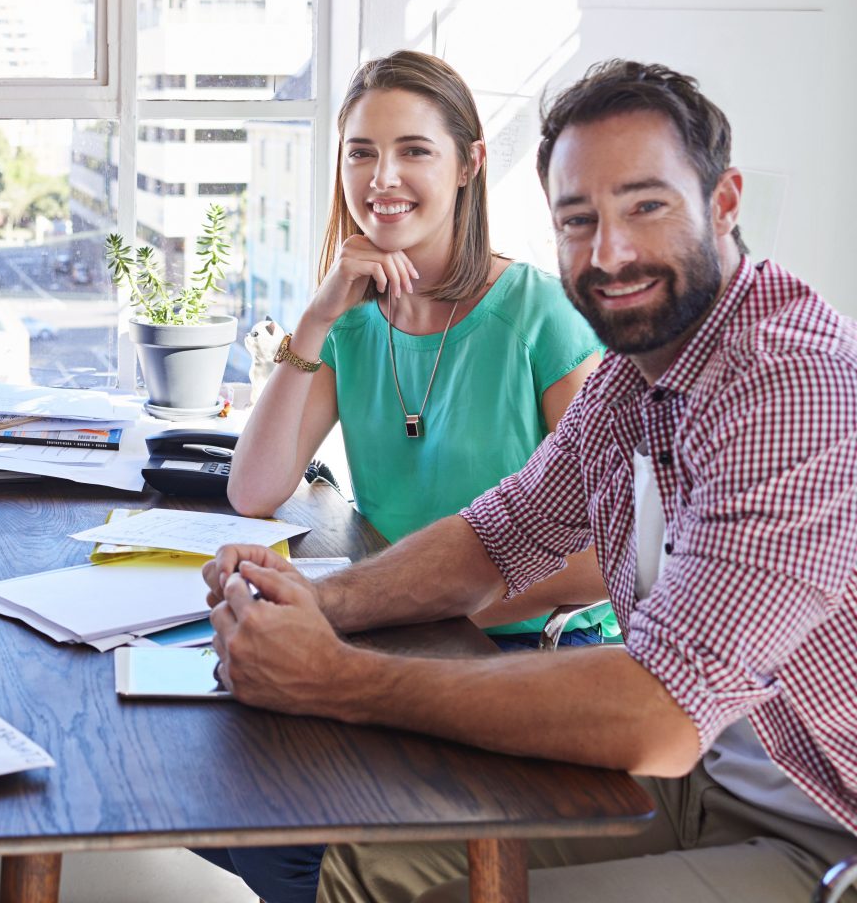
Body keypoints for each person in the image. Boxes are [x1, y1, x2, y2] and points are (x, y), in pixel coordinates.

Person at [204, 60, 857, 903]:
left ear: (723, 203)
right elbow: (496, 536)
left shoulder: (789, 383)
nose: (609, 253)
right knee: (364, 869)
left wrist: (338, 677)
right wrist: (314, 601)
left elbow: (659, 712)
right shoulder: (636, 371)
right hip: (707, 773)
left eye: (646, 207)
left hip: (822, 825)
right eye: (578, 219)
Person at [197, 51, 616, 902]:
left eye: (413, 150)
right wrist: (316, 318)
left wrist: (419, 605)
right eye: (360, 152)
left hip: (534, 656)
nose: (381, 177)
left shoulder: (540, 315)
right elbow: (254, 487)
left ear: (468, 164)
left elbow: (607, 555)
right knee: (223, 799)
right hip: (404, 636)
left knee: (289, 854)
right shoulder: (351, 321)